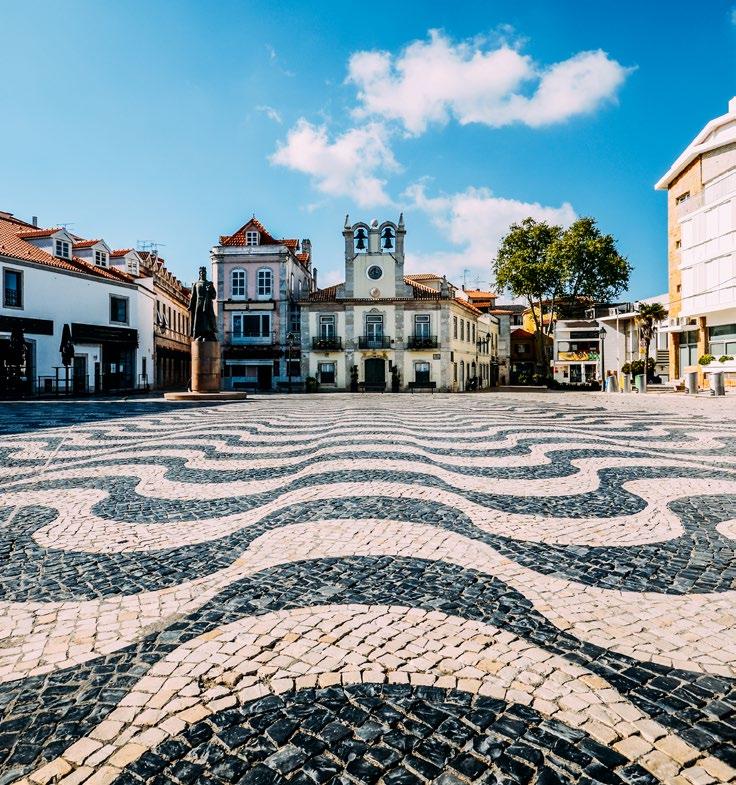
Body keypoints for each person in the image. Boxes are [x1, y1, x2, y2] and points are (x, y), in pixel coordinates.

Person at [189, 266, 217, 341]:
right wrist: (190, 306)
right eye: (201, 272)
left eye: (204, 272)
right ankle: (200, 335)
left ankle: (208, 334)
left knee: (207, 320)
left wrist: (210, 290)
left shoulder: (209, 284)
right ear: (199, 273)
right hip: (198, 305)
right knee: (199, 320)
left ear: (206, 273)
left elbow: (214, 296)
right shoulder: (196, 284)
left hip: (208, 304)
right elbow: (193, 296)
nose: (202, 273)